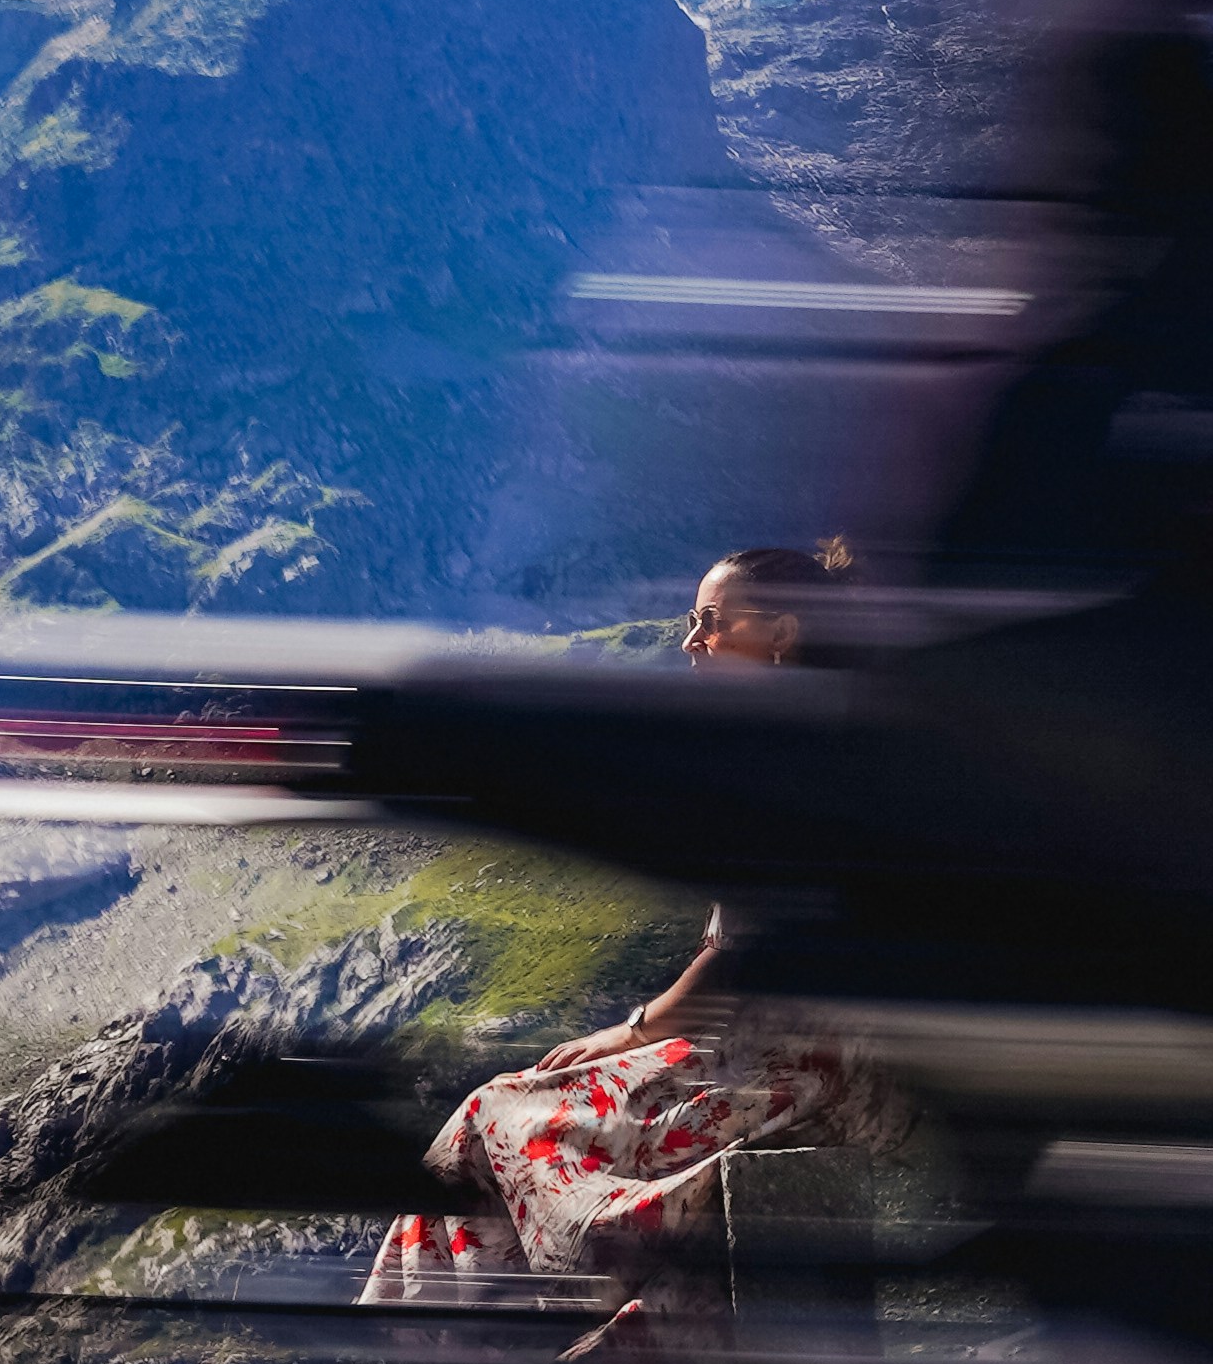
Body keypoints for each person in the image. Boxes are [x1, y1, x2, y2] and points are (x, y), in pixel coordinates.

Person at [362, 546, 855, 1321]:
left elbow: (745, 957)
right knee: (499, 1111)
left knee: (496, 1114)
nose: (691, 639)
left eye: (709, 621)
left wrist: (628, 1033)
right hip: (778, 1055)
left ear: (783, 631)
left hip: (785, 1069)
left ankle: (426, 1352)